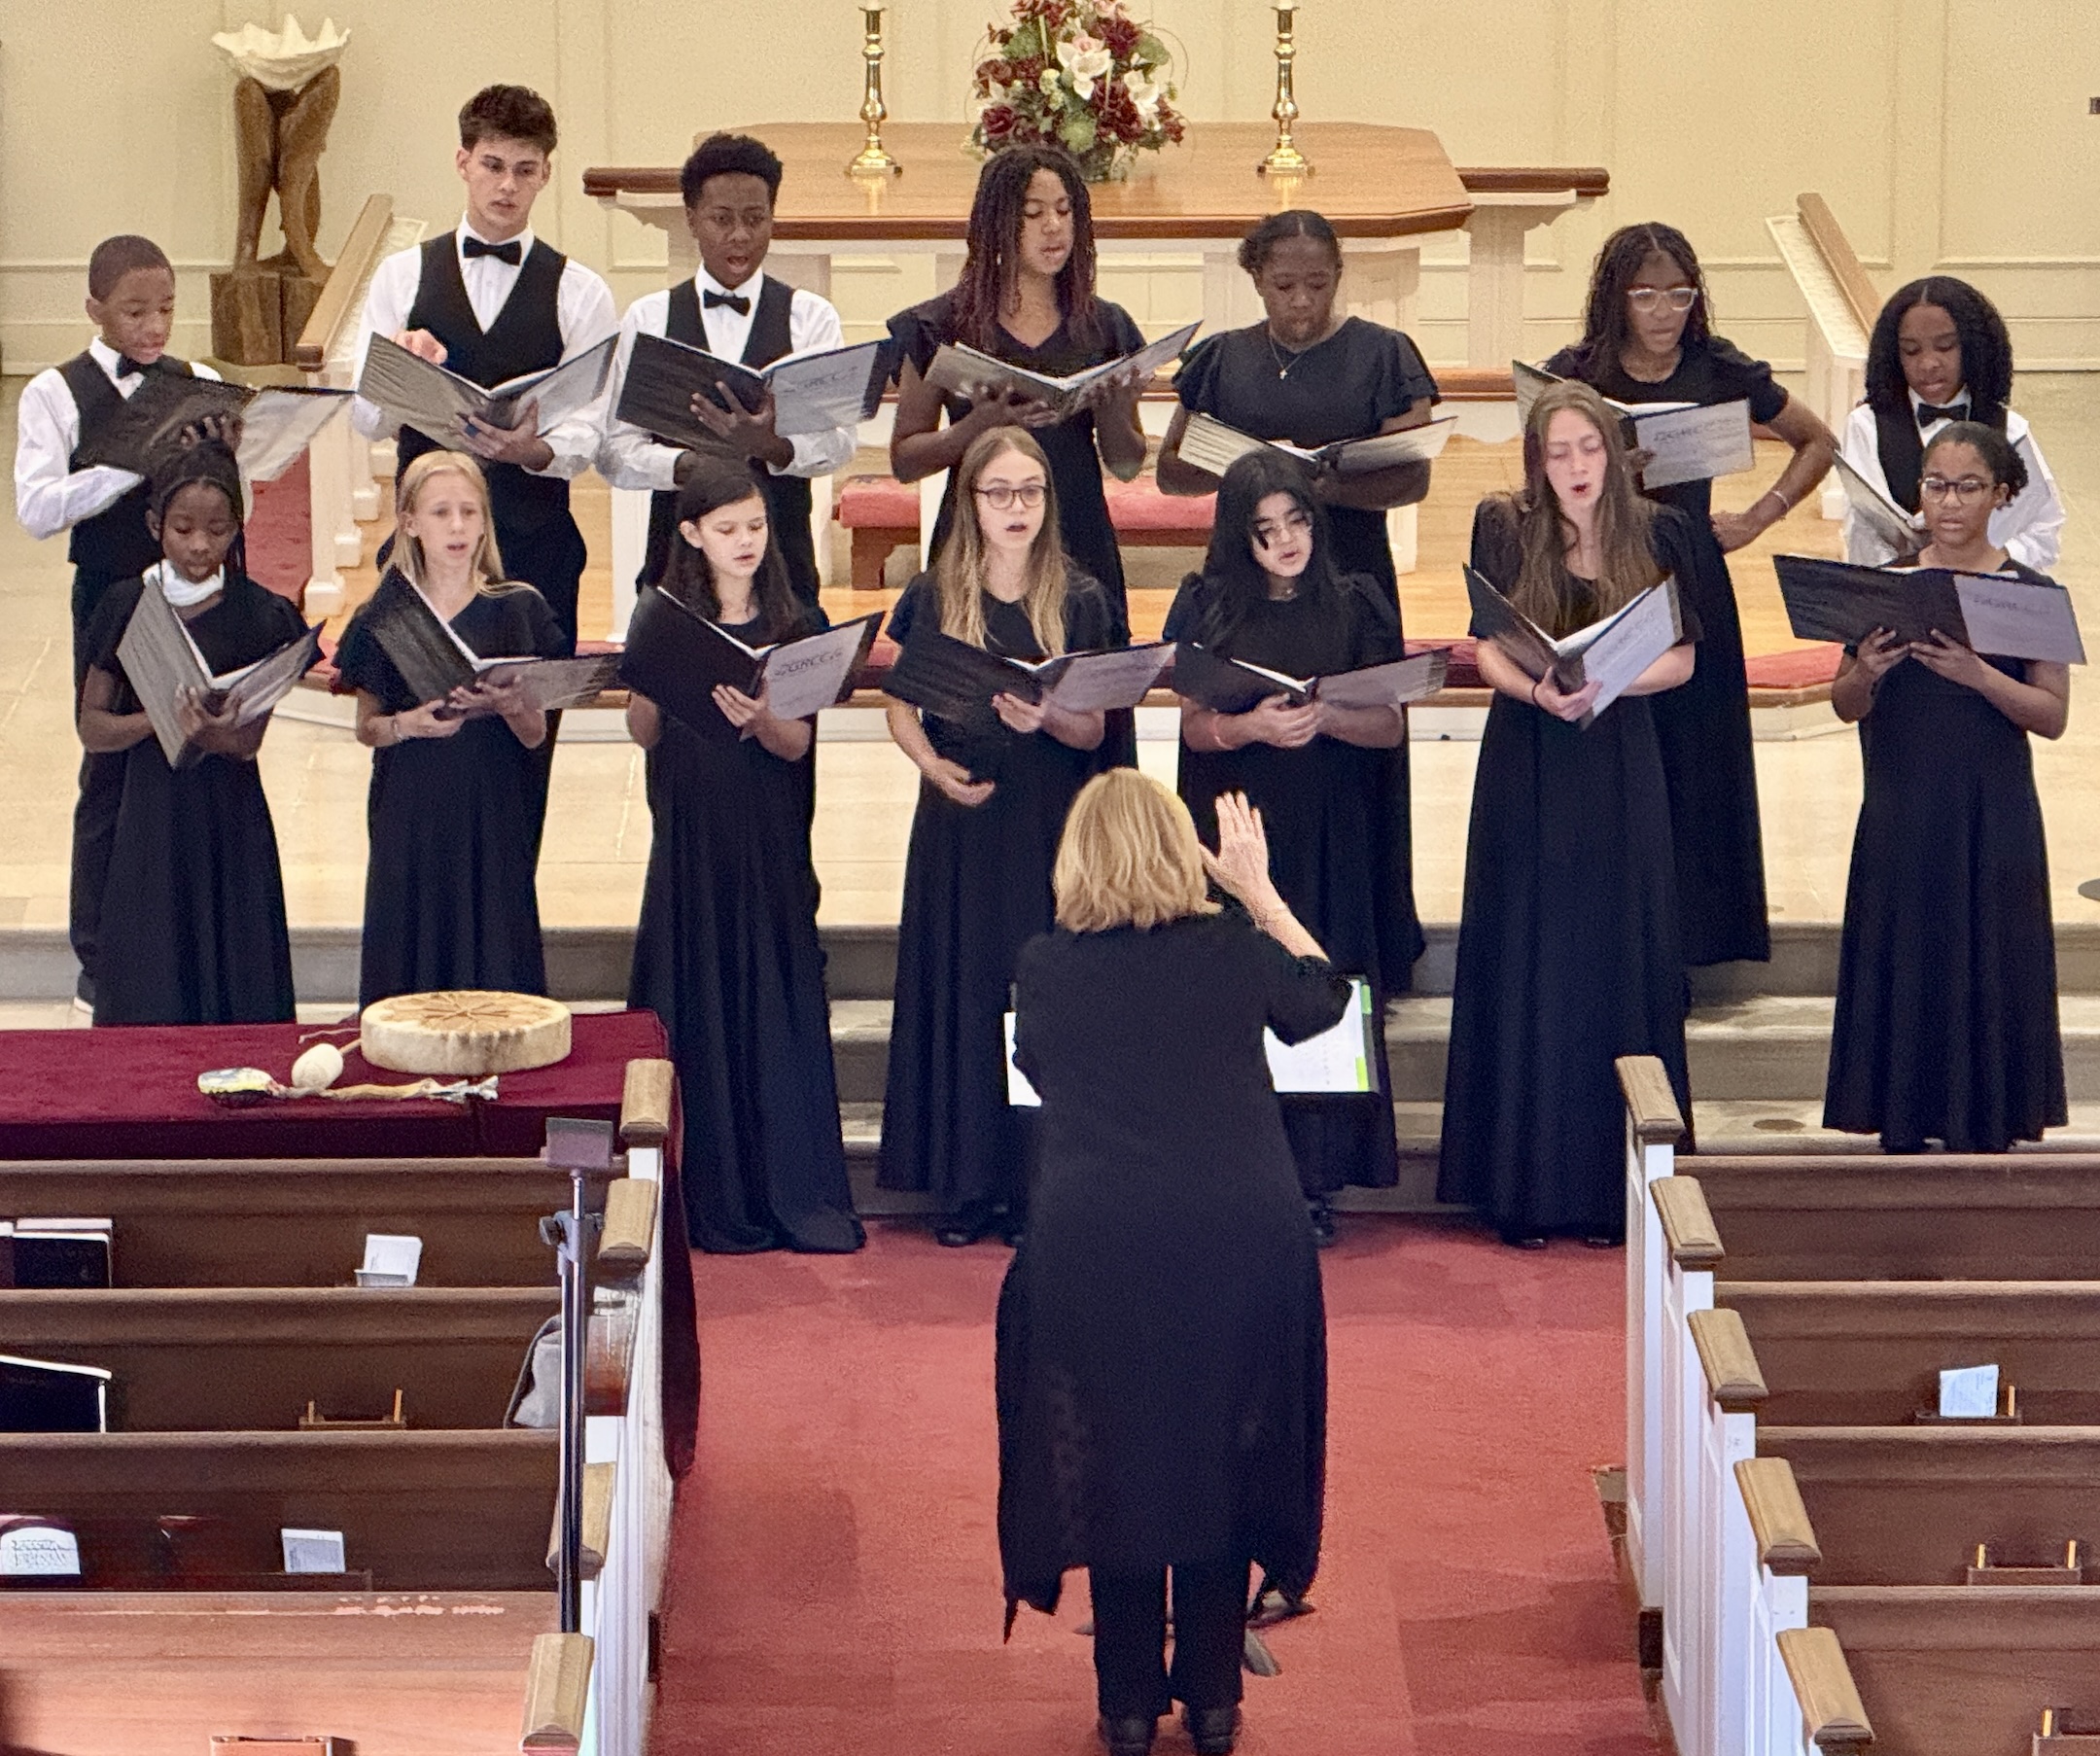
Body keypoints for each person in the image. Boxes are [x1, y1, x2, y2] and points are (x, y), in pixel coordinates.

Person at [1000, 774, 1347, 1756]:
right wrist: (1259, 893)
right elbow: (1322, 1001)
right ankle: (1213, 1698)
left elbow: (1035, 1067)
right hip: (1238, 1233)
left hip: (1094, 1238)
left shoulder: (1044, 966)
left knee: (1114, 1451)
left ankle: (1123, 1707)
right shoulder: (1235, 951)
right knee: (1222, 1441)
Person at [1438, 381, 1698, 1248]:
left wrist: (1608, 682)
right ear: (1536, 461)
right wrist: (1541, 693)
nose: (1576, 467)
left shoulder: (1657, 531)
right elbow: (1484, 647)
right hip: (1532, 760)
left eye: (1589, 450)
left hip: (1618, 763)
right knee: (1530, 950)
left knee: (1611, 954)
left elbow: (1685, 658)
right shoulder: (1506, 526)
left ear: (1614, 456)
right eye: (1559, 452)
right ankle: (1520, 1187)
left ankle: (1609, 1189)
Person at [1159, 208, 1438, 989]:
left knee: (1351, 758)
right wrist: (1257, 479)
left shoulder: (1383, 353)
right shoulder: (1222, 359)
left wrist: (1318, 484)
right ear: (1255, 280)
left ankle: (1365, 935)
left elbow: (1414, 472)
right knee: (1253, 734)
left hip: (1348, 572)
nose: (1302, 302)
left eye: (1318, 284)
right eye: (1284, 285)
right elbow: (1173, 472)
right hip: (1246, 583)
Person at [1545, 223, 1834, 967]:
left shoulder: (1716, 366)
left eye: (1680, 294)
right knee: (1613, 756)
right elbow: (1533, 457)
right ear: (1617, 297)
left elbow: (1817, 440)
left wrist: (1759, 516)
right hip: (1602, 577)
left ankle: (1698, 939)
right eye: (1646, 295)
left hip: (1691, 570)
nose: (1665, 310)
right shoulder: (1576, 372)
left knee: (1696, 758)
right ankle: (1608, 933)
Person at [349, 84, 616, 854]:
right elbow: (367, 418)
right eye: (492, 165)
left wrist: (533, 449)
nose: (506, 186)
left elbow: (594, 431)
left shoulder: (579, 290)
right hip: (423, 558)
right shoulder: (403, 278)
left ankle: (505, 947)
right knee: (415, 756)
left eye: (524, 170)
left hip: (533, 554)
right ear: (463, 162)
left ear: (545, 175)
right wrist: (399, 372)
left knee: (522, 758)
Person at [1163, 451, 1406, 1244]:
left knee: (1317, 976)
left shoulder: (1357, 599)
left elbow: (1389, 724)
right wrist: (1253, 726)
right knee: (1232, 986)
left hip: (1327, 820)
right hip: (1237, 816)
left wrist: (1327, 717)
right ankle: (1227, 1162)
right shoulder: (1205, 604)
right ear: (1241, 537)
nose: (1286, 542)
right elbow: (1195, 725)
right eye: (1265, 532)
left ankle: (1316, 1176)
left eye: (1296, 523)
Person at [877, 426, 1110, 1246]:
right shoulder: (937, 591)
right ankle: (966, 1186)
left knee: (1036, 999)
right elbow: (899, 699)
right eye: (999, 492)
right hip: (960, 817)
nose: (1017, 508)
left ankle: (1035, 1183)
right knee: (963, 991)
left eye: (1031, 492)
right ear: (969, 501)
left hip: (1044, 821)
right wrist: (931, 768)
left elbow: (1093, 735)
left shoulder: (1077, 596)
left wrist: (1048, 714)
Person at [625, 458, 863, 1253]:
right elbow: (643, 730)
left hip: (766, 839)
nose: (747, 542)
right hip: (691, 836)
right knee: (694, 989)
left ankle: (782, 1185)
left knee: (770, 990)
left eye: (757, 526)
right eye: (728, 530)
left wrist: (762, 716)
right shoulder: (662, 612)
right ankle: (703, 1190)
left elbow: (795, 745)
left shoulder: (796, 622)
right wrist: (660, 675)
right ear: (691, 534)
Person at [1824, 422, 2068, 1151]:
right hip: (1902, 806)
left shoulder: (2030, 594)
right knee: (1907, 954)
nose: (1949, 503)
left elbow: (2052, 716)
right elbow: (1845, 703)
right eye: (1935, 485)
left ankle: (1985, 1116)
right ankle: (1902, 1114)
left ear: (2001, 495)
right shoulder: (1885, 584)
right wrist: (1865, 671)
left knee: (1986, 955)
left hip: (1990, 813)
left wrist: (1980, 675)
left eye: (1967, 487)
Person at [15, 234, 226, 1007]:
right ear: (95, 308)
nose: (154, 326)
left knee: (199, 755)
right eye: (135, 310)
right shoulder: (55, 392)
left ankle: (196, 937)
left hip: (194, 592)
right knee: (110, 765)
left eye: (167, 308)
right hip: (110, 594)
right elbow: (36, 508)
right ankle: (98, 956)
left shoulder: (194, 380)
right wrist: (128, 464)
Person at [887, 142, 1147, 762]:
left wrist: (1110, 405)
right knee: (978, 719)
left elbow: (1128, 462)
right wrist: (972, 429)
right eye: (1033, 213)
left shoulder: (1104, 326)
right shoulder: (943, 325)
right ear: (997, 223)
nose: (1054, 227)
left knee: (1086, 729)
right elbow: (904, 458)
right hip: (979, 539)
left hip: (1075, 531)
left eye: (1064, 210)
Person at [76, 443, 298, 1027]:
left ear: (237, 530)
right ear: (155, 526)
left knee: (234, 957)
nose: (200, 545)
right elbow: (92, 727)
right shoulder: (125, 603)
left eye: (218, 530)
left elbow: (248, 742)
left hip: (230, 815)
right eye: (182, 529)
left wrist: (211, 729)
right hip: (148, 814)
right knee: (154, 954)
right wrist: (159, 718)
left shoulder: (261, 614)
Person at [334, 451, 566, 1006]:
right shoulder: (385, 615)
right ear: (410, 523)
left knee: (493, 930)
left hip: (490, 801)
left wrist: (512, 704)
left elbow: (536, 736)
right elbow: (367, 727)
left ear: (486, 521)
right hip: (410, 804)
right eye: (441, 513)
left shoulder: (517, 609)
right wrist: (406, 725)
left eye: (469, 511)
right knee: (412, 931)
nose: (458, 526)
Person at [600, 131, 857, 611]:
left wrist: (772, 446)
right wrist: (683, 466)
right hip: (675, 562)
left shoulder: (810, 318)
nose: (740, 235)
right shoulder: (649, 318)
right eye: (721, 219)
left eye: (755, 219)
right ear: (692, 220)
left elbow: (839, 443)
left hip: (783, 559)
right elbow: (614, 452)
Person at [1841, 276, 2064, 571]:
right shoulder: (1867, 426)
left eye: (1945, 347)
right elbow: (1863, 531)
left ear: (1973, 347)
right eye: (1911, 350)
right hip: (1901, 591)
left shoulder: (2011, 431)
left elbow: (2043, 529)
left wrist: (1987, 564)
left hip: (1990, 591)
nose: (1928, 363)